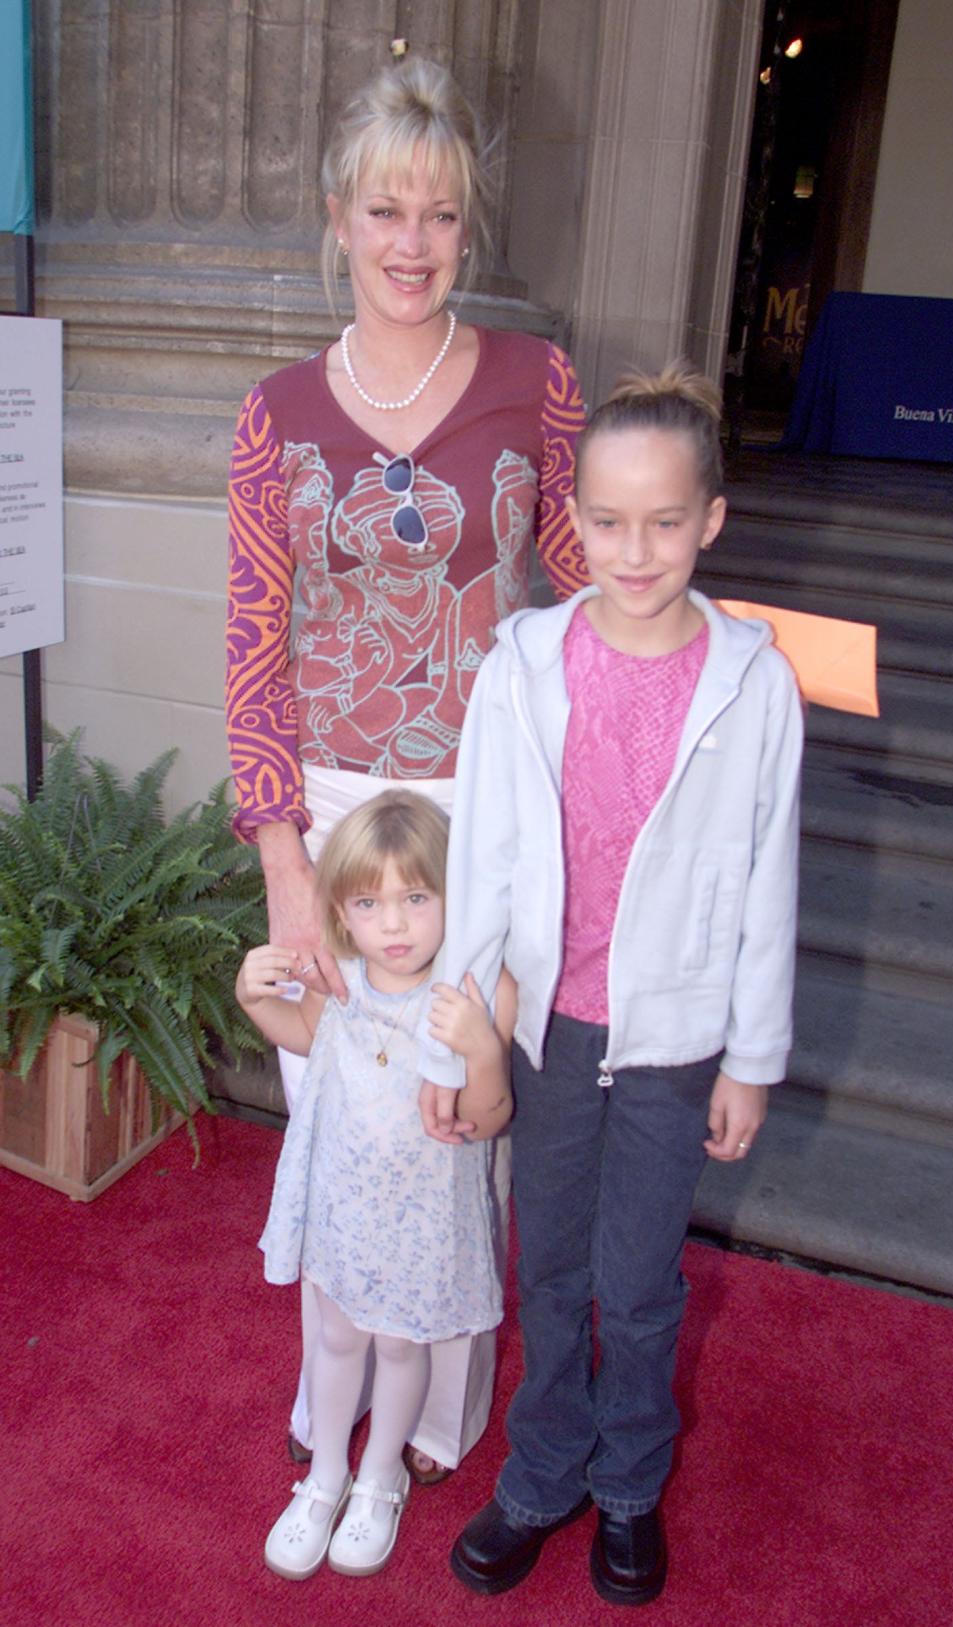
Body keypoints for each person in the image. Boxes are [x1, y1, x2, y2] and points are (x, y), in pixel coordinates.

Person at [224, 51, 585, 1481]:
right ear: (338, 215)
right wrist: (283, 873)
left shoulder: (534, 383)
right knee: (336, 1124)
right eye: (386, 211)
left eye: (439, 214)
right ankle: (332, 1411)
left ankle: (432, 1418)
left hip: (477, 810)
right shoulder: (273, 414)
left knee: (454, 1118)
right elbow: (254, 644)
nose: (413, 244)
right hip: (330, 816)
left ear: (468, 225)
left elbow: (578, 601)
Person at [418, 364, 804, 1605]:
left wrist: (753, 1056)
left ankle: (630, 1483)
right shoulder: (523, 661)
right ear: (570, 518)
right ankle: (545, 1472)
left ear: (713, 519)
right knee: (551, 1268)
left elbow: (765, 876)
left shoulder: (755, 680)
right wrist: (458, 1037)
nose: (634, 550)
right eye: (607, 520)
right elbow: (482, 860)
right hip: (547, 1032)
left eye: (666, 520)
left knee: (638, 1286)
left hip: (675, 1040)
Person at [237, 790, 515, 1581]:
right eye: (369, 902)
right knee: (334, 1336)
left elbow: (490, 1119)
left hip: (424, 1215)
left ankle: (380, 1474)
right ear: (341, 910)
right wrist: (255, 998)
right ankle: (325, 1475)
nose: (394, 924)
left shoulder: (472, 995)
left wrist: (484, 1052)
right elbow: (305, 1036)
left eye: (416, 898)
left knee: (400, 1343)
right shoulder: (341, 980)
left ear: (453, 896)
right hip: (343, 1206)